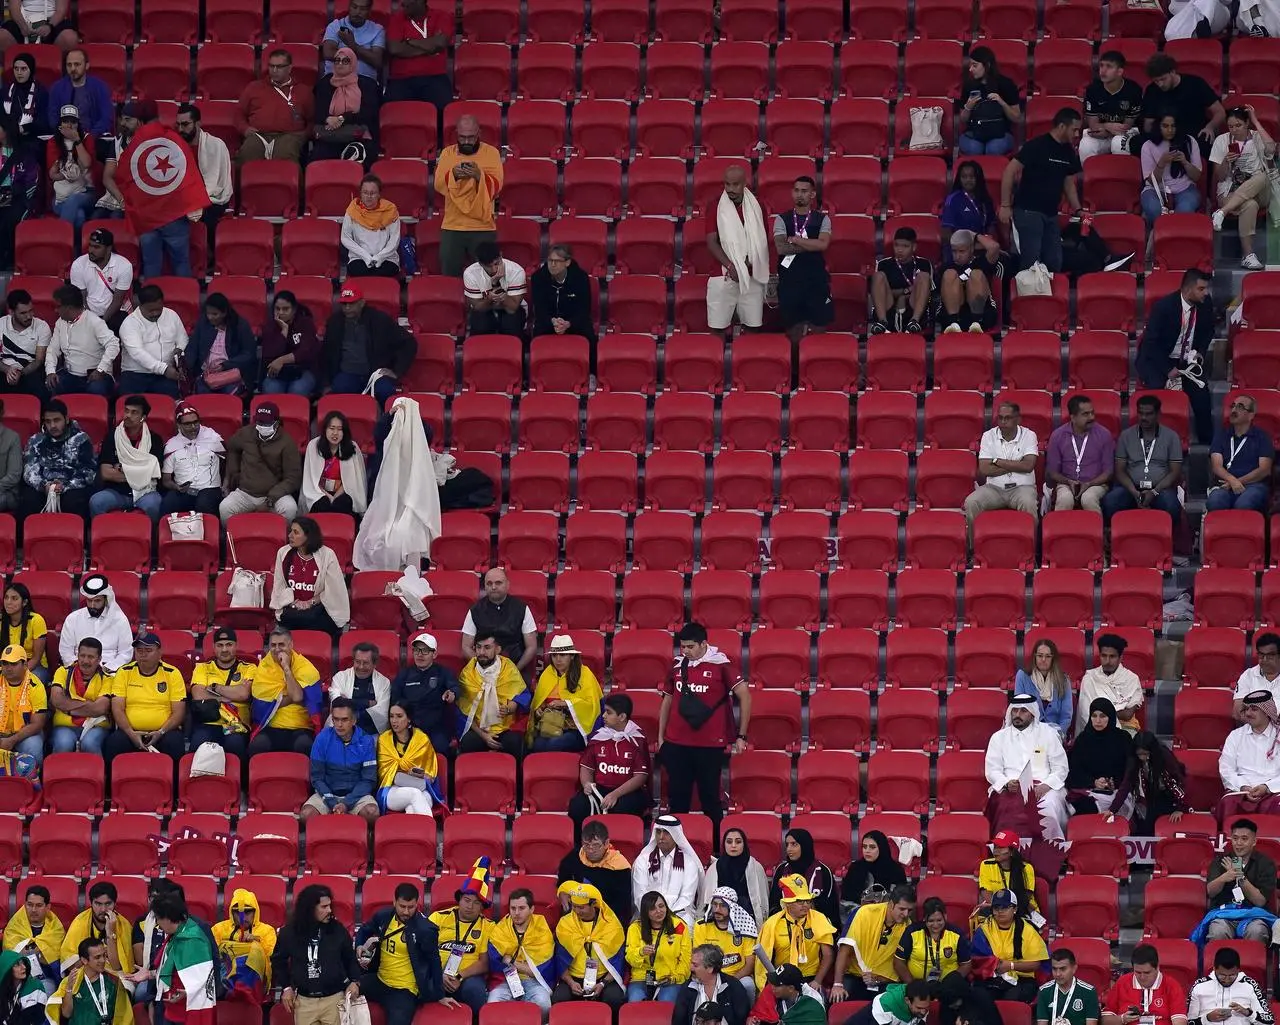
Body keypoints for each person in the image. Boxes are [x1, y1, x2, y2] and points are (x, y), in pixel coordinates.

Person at [660, 622, 750, 840]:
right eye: (683, 647)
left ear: (704, 644)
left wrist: (742, 735)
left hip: (709, 745)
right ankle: (674, 845)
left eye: (690, 647)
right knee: (677, 799)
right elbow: (668, 700)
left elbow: (745, 697)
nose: (686, 651)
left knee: (710, 798)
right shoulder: (677, 666)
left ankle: (717, 846)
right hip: (677, 743)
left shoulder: (721, 666)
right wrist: (661, 737)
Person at [1136, 269, 1215, 446]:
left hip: (1187, 359)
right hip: (1159, 360)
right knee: (1157, 397)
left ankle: (1207, 447)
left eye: (1206, 288)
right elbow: (1150, 343)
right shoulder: (1163, 307)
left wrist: (1200, 352)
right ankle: (1149, 443)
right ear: (1188, 290)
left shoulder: (1205, 303)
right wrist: (1167, 369)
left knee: (1202, 399)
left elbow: (1209, 331)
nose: (1206, 292)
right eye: (1201, 289)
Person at [999, 108, 1084, 272]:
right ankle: (1028, 297)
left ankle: (1048, 297)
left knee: (1054, 262)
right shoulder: (1036, 145)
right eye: (1074, 130)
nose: (1077, 134)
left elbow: (1068, 183)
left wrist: (1078, 209)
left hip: (1051, 214)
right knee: (1031, 263)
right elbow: (1010, 171)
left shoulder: (1068, 151)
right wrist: (1005, 205)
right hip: (1028, 212)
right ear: (1061, 126)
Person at [270, 884, 360, 1025]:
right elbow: (278, 960)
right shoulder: (289, 932)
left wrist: (355, 981)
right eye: (324, 907)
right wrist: (286, 987)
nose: (330, 910)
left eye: (330, 906)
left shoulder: (337, 930)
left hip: (334, 999)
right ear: (310, 909)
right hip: (304, 1002)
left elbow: (350, 958)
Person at [354, 882, 445, 1022]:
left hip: (404, 991)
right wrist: (359, 944)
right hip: (379, 980)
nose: (406, 912)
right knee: (344, 989)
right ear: (394, 902)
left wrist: (440, 995)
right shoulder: (383, 916)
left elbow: (434, 961)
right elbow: (365, 929)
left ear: (417, 904)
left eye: (411, 907)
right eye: (402, 906)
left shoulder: (425, 930)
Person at [986, 693, 1069, 842]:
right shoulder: (999, 737)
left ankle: (1047, 855)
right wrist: (1005, 783)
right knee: (1007, 809)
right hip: (1010, 787)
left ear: (1032, 713)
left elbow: (1061, 768)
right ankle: (1008, 854)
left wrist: (1046, 785)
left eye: (1023, 711)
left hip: (1044, 787)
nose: (1018, 715)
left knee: (1047, 809)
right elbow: (992, 769)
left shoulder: (1048, 733)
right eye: (1015, 710)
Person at [101, 633, 185, 771]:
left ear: (159, 653)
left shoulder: (172, 673)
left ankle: (174, 790)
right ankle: (111, 789)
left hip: (165, 731)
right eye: (139, 651)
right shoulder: (124, 672)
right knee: (114, 743)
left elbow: (179, 712)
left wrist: (161, 732)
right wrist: (130, 733)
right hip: (130, 730)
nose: (143, 654)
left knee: (174, 743)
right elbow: (117, 708)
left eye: (148, 650)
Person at [568, 692, 650, 831]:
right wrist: (586, 784)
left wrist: (615, 794)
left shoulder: (638, 740)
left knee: (621, 807)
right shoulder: (597, 737)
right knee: (578, 805)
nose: (604, 716)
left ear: (622, 717)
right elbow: (587, 767)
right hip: (600, 788)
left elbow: (640, 776)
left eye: (608, 712)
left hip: (627, 792)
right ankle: (579, 845)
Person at [323, 285, 415, 407]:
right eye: (344, 304)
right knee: (339, 389)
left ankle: (387, 422)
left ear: (362, 303)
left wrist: (396, 371)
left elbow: (409, 343)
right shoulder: (334, 322)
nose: (347, 308)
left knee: (386, 392)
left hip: (375, 373)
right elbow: (325, 353)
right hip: (348, 373)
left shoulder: (380, 320)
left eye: (352, 303)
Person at [435, 114, 503, 277]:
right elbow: (438, 184)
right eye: (462, 137)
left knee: (488, 277)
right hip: (453, 226)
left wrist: (479, 175)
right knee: (449, 276)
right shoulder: (447, 154)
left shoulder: (491, 153)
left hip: (483, 226)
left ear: (479, 133)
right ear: (456, 133)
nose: (466, 142)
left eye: (471, 137)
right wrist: (454, 175)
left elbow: (497, 186)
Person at [704, 165, 768, 335]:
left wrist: (745, 266)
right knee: (717, 327)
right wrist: (732, 267)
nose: (730, 189)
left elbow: (762, 240)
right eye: (727, 184)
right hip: (723, 272)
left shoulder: (757, 205)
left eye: (735, 184)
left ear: (745, 183)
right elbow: (711, 242)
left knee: (753, 326)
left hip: (751, 272)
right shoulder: (715, 206)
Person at [1209, 105, 1275, 270]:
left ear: (1246, 123)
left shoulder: (1257, 137)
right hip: (1230, 191)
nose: (1234, 130)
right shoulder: (1222, 141)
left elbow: (1272, 148)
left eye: (1238, 125)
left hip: (1261, 190)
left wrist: (1255, 120)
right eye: (1231, 126)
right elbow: (1220, 176)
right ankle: (1248, 255)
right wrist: (1226, 161)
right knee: (1250, 204)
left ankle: (1221, 213)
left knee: (1262, 176)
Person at [1102, 394, 1183, 524]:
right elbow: (1120, 470)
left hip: (1159, 489)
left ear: (1158, 414)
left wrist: (1154, 492)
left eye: (1149, 414)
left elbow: (1175, 472)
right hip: (1131, 488)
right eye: (1141, 413)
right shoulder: (1126, 436)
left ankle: (1169, 540)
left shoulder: (1171, 437)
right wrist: (1134, 492)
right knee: (1110, 502)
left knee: (1171, 506)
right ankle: (1113, 537)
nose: (1144, 418)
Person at [428, 861, 495, 1016]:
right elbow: (424, 952)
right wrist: (440, 975)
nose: (470, 906)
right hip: (438, 971)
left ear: (482, 908)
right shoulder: (438, 917)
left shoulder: (489, 926)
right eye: (466, 900)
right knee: (422, 985)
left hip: (468, 976)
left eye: (476, 903)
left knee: (474, 991)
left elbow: (484, 964)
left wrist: (459, 976)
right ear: (459, 900)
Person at [772, 175, 833, 344]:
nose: (800, 195)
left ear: (812, 195)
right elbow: (781, 248)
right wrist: (811, 245)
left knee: (819, 329)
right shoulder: (781, 219)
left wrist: (797, 240)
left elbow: (823, 245)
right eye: (797, 190)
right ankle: (795, 369)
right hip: (790, 282)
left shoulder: (822, 219)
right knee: (793, 332)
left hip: (816, 281)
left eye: (804, 191)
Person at [219, 401, 302, 522]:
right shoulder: (245, 433)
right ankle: (236, 539)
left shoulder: (287, 443)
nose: (262, 425)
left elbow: (293, 477)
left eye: (267, 423)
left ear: (277, 422)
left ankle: (280, 539)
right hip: (245, 493)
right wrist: (234, 473)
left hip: (275, 495)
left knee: (290, 509)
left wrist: (270, 500)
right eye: (259, 421)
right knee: (225, 508)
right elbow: (232, 448)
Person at [269, 516, 350, 637]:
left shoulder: (327, 554)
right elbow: (279, 585)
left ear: (308, 536)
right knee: (287, 620)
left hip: (318, 608)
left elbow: (333, 590)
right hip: (292, 607)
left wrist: (309, 602)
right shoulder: (283, 552)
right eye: (290, 531)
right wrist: (292, 603)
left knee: (315, 621)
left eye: (295, 532)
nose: (290, 535)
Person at [247, 628, 323, 757]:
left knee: (305, 745)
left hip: (301, 727)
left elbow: (297, 696)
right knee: (257, 746)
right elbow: (295, 697)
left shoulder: (304, 666)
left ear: (291, 645)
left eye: (281, 645)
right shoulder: (264, 667)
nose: (277, 649)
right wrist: (296, 694)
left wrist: (287, 669)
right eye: (273, 645)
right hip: (271, 727)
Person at [301, 696, 378, 823]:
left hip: (356, 795)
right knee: (306, 815)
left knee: (372, 813)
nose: (339, 725)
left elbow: (368, 780)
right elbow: (317, 778)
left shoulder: (366, 741)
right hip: (327, 794)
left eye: (344, 720)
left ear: (354, 720)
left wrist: (346, 803)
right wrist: (331, 802)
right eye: (335, 719)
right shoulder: (322, 739)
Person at [88, 394, 164, 522]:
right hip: (117, 492)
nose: (128, 415)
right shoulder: (112, 436)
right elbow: (106, 473)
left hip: (145, 492)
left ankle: (151, 539)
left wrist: (123, 468)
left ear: (143, 417)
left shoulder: (154, 440)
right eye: (126, 411)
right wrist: (140, 471)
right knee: (96, 501)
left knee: (154, 504)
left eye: (134, 412)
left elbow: (153, 473)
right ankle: (103, 538)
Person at [551, 880, 626, 1010]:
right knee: (559, 999)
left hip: (603, 978)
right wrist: (571, 982)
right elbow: (560, 960)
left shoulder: (611, 924)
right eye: (574, 906)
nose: (576, 911)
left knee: (614, 999)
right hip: (574, 978)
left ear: (593, 904)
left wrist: (602, 983)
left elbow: (617, 961)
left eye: (581, 907)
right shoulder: (565, 924)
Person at [831, 885, 914, 1000]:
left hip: (884, 981)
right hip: (856, 975)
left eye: (910, 910)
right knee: (837, 998)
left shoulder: (909, 927)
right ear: (891, 904)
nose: (905, 914)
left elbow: (901, 967)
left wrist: (878, 978)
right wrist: (837, 984)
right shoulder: (866, 913)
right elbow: (845, 949)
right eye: (902, 909)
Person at [755, 876, 835, 993]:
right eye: (800, 901)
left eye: (808, 901)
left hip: (810, 978)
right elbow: (764, 959)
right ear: (788, 903)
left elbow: (828, 955)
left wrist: (817, 981)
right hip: (782, 977)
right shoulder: (772, 924)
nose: (806, 905)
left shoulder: (819, 919)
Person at [1203, 818, 1276, 944]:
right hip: (1223, 915)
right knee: (1217, 931)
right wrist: (1224, 877)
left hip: (1254, 916)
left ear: (1254, 841)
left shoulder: (1265, 864)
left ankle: (1251, 964)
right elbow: (1211, 892)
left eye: (1244, 839)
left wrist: (1239, 876)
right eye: (1235, 838)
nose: (1239, 843)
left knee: (1257, 931)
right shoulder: (1221, 861)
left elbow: (1259, 901)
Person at [486, 887, 556, 1019]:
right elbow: (494, 959)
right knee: (492, 1004)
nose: (516, 913)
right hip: (505, 980)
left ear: (532, 909)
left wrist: (511, 961)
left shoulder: (541, 929)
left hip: (533, 982)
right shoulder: (501, 928)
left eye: (522, 908)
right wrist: (524, 967)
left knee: (544, 1005)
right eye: (513, 908)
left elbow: (537, 971)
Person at [19, 398, 95, 519]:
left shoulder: (81, 439)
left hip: (71, 487)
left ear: (66, 419)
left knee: (74, 502)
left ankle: (76, 537)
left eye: (57, 420)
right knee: (27, 500)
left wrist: (64, 486)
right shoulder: (35, 440)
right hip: (43, 486)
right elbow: (29, 471)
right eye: (48, 421)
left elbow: (89, 472)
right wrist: (44, 486)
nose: (52, 425)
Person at [457, 631, 529, 757]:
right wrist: (484, 736)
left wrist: (509, 708)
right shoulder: (468, 673)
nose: (481, 652)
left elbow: (523, 695)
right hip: (479, 729)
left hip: (505, 728)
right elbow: (463, 711)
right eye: (478, 647)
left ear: (498, 649)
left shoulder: (508, 668)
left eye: (487, 647)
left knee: (515, 743)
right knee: (468, 743)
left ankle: (514, 775)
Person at [188, 626, 253, 763]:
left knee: (235, 744)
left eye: (229, 645)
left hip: (237, 724)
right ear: (213, 647)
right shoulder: (203, 668)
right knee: (198, 743)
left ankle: (239, 783)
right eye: (220, 645)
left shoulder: (249, 668)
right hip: (209, 722)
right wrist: (230, 694)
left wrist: (214, 687)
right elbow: (198, 694)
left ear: (236, 646)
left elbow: (243, 694)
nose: (224, 650)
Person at [235, 49, 313, 165]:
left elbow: (312, 120)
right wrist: (245, 129)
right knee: (248, 152)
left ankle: (290, 183)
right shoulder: (254, 87)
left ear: (290, 68)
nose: (274, 70)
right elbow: (239, 114)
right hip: (259, 135)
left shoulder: (303, 91)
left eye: (280, 67)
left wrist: (304, 135)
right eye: (272, 66)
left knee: (285, 153)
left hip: (288, 136)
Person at [970, 889, 1048, 1002]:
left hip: (1022, 978)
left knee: (1015, 995)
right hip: (992, 976)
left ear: (1015, 909)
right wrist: (995, 966)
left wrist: (1011, 966)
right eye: (996, 908)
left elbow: (1035, 964)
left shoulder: (1027, 930)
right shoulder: (984, 929)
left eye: (1005, 907)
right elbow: (978, 960)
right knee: (980, 995)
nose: (1000, 911)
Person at [1139, 53, 1225, 157]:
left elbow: (1219, 112)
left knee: (1205, 142)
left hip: (1193, 132)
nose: (1160, 84)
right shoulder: (1152, 90)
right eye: (1156, 81)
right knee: (1138, 143)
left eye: (1163, 79)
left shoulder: (1195, 84)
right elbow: (1149, 123)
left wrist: (1210, 127)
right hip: (1164, 133)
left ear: (1172, 72)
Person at [528, 634, 602, 754]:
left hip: (576, 728)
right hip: (550, 726)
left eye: (562, 655)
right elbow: (538, 702)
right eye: (554, 655)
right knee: (537, 745)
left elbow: (592, 706)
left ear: (572, 656)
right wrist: (539, 710)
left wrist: (566, 703)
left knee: (554, 745)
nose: (558, 659)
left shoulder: (585, 674)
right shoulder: (547, 674)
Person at [389, 632, 458, 758]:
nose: (420, 654)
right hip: (410, 725)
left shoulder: (443, 672)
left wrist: (452, 694)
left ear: (434, 654)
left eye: (425, 651)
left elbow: (454, 688)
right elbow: (395, 699)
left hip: (436, 726)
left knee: (439, 748)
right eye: (416, 650)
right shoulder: (404, 674)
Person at [44, 287, 118, 399]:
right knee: (52, 384)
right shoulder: (60, 323)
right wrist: (50, 371)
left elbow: (114, 344)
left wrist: (100, 369)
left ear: (69, 308)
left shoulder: (94, 322)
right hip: (70, 374)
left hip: (94, 375)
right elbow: (53, 349)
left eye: (58, 307)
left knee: (96, 389)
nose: (55, 310)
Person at [633, 816, 704, 931]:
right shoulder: (642, 861)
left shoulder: (689, 862)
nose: (661, 837)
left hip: (680, 915)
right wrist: (655, 914)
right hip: (648, 914)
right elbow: (640, 895)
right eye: (658, 832)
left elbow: (686, 898)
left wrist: (664, 916)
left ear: (676, 835)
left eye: (666, 832)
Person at [557, 821, 634, 927]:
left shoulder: (619, 867)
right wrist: (562, 892)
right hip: (577, 914)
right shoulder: (577, 856)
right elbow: (563, 877)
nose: (591, 850)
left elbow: (622, 907)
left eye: (596, 845)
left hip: (607, 919)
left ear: (607, 843)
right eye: (586, 845)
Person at [1219, 690, 1280, 822]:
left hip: (1274, 791)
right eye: (1246, 709)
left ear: (1266, 712)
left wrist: (1267, 787)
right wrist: (1243, 786)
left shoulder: (1278, 736)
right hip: (1241, 791)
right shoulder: (1236, 736)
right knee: (1227, 804)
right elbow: (1226, 768)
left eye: (1254, 709)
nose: (1248, 713)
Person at [1046, 394, 1114, 513]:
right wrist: (1068, 481)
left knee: (1088, 498)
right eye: (1085, 414)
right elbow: (1053, 472)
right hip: (1066, 482)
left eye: (1092, 413)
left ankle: (1096, 531)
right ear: (1073, 417)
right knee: (1065, 499)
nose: (1091, 417)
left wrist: (1090, 483)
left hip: (1096, 483)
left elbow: (1108, 472)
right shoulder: (1058, 436)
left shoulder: (1104, 435)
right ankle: (1059, 531)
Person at [1108, 731, 1187, 833]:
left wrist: (1180, 809)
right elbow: (1126, 784)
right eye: (1139, 754)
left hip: (1169, 795)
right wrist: (1112, 810)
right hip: (1149, 795)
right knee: (1145, 827)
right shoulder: (1134, 760)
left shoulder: (1164, 756)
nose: (1142, 757)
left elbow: (1180, 781)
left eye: (1145, 754)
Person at [893, 897, 973, 998]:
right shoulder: (911, 932)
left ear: (945, 916)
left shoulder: (956, 934)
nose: (935, 925)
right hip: (917, 986)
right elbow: (898, 961)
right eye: (931, 921)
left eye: (939, 920)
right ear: (924, 919)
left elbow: (966, 964)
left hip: (948, 988)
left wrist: (951, 983)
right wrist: (913, 985)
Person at [174, 104, 232, 244]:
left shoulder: (216, 145)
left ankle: (209, 257)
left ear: (198, 123)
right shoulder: (174, 146)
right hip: (182, 195)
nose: (181, 129)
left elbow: (213, 183)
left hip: (213, 196)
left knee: (207, 216)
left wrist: (194, 200)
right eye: (178, 125)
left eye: (185, 124)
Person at [1067, 698, 1135, 815]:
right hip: (1089, 790)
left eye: (1103, 716)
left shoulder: (1123, 738)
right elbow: (1073, 771)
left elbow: (1130, 771)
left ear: (1110, 717)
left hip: (1118, 792)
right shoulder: (1083, 739)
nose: (1098, 721)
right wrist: (1093, 782)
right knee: (1081, 805)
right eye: (1094, 716)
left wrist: (1114, 782)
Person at [118, 286, 188, 399]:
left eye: (158, 309)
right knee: (130, 405)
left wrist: (180, 348)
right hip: (135, 374)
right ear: (140, 306)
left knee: (172, 401)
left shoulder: (171, 315)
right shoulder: (130, 323)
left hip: (165, 375)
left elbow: (183, 338)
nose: (155, 313)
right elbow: (137, 353)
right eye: (151, 310)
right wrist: (163, 369)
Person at [1207, 394, 1273, 514]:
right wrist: (1232, 481)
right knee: (1215, 502)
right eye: (1233, 406)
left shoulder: (1262, 437)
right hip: (1225, 484)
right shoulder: (1221, 435)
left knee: (1244, 504)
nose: (1234, 410)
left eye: (1240, 407)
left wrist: (1239, 482)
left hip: (1253, 484)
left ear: (1251, 415)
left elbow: (1264, 470)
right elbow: (1216, 466)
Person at [461, 568, 538, 670]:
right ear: (484, 586)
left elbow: (531, 647)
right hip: (483, 670)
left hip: (516, 668)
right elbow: (466, 647)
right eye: (489, 583)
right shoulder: (475, 610)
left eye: (498, 583)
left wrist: (514, 671)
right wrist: (485, 668)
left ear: (507, 585)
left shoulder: (522, 608)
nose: (493, 587)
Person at [210, 888, 276, 1006]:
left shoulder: (267, 930)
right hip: (224, 970)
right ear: (231, 912)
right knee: (221, 950)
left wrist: (256, 940)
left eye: (247, 912)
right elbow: (211, 952)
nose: (242, 917)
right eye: (238, 912)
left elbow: (269, 954)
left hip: (257, 978)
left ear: (255, 912)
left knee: (255, 950)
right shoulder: (219, 929)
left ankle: (240, 985)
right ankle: (229, 986)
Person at [376, 700, 442, 816]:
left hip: (419, 786)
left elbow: (430, 775)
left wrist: (421, 775)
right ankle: (429, 831)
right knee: (415, 795)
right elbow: (383, 772)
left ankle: (409, 833)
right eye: (391, 716)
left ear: (409, 718)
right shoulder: (384, 739)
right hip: (391, 789)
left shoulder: (421, 739)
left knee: (414, 806)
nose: (394, 721)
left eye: (399, 716)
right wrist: (405, 772)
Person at [314, 49, 380, 162]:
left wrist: (342, 118)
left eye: (345, 61)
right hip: (330, 135)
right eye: (337, 60)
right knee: (319, 156)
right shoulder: (324, 83)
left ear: (353, 63)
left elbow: (369, 113)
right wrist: (328, 118)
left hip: (358, 135)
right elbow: (317, 110)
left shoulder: (367, 85)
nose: (340, 64)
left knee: (358, 154)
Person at [184, 294, 257, 396]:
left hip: (230, 374)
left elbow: (248, 354)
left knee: (230, 395)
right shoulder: (203, 322)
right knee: (201, 395)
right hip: (206, 374)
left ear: (224, 313)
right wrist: (186, 368)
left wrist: (224, 366)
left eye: (215, 314)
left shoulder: (240, 325)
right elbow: (192, 347)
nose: (210, 317)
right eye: (208, 313)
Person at [1140, 112, 1204, 227]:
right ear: (1158, 126)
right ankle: (1160, 236)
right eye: (1165, 126)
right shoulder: (1148, 146)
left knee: (1185, 209)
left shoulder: (1189, 141)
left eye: (1173, 126)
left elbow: (1197, 176)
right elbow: (1150, 181)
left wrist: (1185, 162)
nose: (1170, 130)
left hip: (1184, 188)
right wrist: (1162, 163)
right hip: (1156, 189)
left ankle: (1175, 236)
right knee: (1153, 208)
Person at [48, 638, 111, 756]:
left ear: (99, 659)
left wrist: (68, 708)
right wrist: (89, 705)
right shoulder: (63, 672)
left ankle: (98, 774)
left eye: (91, 657)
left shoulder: (107, 679)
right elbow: (56, 700)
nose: (85, 661)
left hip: (95, 726)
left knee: (90, 743)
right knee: (63, 743)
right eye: (82, 656)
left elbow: (100, 709)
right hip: (64, 726)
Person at [47, 938, 131, 1025]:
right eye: (97, 957)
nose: (103, 960)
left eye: (104, 955)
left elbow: (122, 1017)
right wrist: (69, 989)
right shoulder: (72, 981)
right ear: (84, 960)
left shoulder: (113, 982)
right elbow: (66, 1014)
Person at [160, 403, 224, 516]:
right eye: (188, 424)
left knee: (203, 504)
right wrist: (177, 487)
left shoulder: (213, 438)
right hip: (183, 491)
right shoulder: (171, 445)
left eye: (196, 422)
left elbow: (230, 460)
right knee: (168, 504)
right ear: (179, 425)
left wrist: (226, 483)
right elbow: (166, 480)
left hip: (209, 488)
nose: (193, 427)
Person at [384, 0, 451, 109]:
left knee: (444, 109)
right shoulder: (396, 19)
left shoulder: (441, 16)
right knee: (391, 110)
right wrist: (430, 47)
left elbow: (440, 43)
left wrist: (410, 41)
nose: (402, 3)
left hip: (435, 77)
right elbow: (395, 49)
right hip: (401, 78)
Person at [626, 892, 691, 1002]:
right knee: (634, 1001)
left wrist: (676, 977)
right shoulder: (635, 928)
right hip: (642, 978)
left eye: (661, 906)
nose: (659, 911)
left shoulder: (679, 926)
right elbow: (629, 958)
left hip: (669, 978)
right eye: (652, 909)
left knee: (666, 1003)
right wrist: (641, 952)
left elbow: (686, 958)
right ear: (646, 912)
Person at [692, 890, 758, 1001]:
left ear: (732, 908)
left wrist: (730, 981)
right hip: (709, 975)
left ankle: (749, 1016)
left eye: (723, 905)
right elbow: (698, 960)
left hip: (737, 976)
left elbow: (749, 965)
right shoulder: (701, 926)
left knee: (748, 984)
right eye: (714, 905)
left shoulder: (746, 929)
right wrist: (715, 980)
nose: (717, 910)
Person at [58, 576, 132, 672]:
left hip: (110, 672)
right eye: (89, 600)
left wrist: (108, 668)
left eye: (97, 601)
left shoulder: (120, 620)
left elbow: (126, 653)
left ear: (105, 600)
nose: (92, 605)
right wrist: (80, 668)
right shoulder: (73, 618)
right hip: (79, 669)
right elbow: (66, 651)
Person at [956, 46, 1021, 155]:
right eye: (970, 65)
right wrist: (968, 107)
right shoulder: (969, 85)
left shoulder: (1006, 84)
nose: (971, 69)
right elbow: (963, 119)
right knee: (974, 149)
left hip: (1001, 133)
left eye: (975, 65)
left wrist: (1002, 102)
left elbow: (1016, 117)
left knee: (993, 149)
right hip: (974, 132)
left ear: (987, 65)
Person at [60, 882, 133, 978]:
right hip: (86, 973)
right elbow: (70, 964)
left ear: (115, 903)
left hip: (115, 976)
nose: (103, 909)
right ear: (91, 903)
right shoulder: (80, 922)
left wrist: (111, 933)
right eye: (98, 904)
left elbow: (117, 967)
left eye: (108, 904)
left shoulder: (124, 925)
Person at [1101, 945, 1188, 1025]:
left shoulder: (1171, 985)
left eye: (1147, 973)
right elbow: (1105, 1020)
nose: (1142, 977)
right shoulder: (1122, 982)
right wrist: (1122, 1019)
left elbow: (1180, 1021)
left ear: (1157, 967)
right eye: (1138, 972)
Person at [1080, 50, 1143, 162]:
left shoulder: (1133, 90)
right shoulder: (1093, 89)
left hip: (1126, 132)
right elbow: (1093, 124)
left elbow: (1127, 125)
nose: (1103, 71)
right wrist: (1107, 126)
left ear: (1119, 71)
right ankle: (1091, 178)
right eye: (1101, 65)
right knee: (1086, 144)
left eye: (1109, 67)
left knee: (1118, 143)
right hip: (1102, 132)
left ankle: (1121, 177)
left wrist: (1106, 128)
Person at [768, 829, 840, 925]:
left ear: (805, 846)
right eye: (787, 844)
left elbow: (831, 907)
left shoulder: (823, 871)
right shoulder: (781, 870)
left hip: (816, 926)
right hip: (785, 926)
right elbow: (774, 903)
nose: (789, 849)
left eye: (794, 844)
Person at [700, 829, 769, 930]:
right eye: (729, 842)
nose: (733, 845)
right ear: (724, 844)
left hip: (748, 920)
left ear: (744, 844)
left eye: (738, 842)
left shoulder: (756, 867)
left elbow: (763, 899)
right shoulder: (714, 868)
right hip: (719, 919)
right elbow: (706, 900)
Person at [934, 229, 999, 335]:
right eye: (954, 251)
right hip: (952, 317)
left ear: (972, 249)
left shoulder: (981, 262)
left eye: (962, 251)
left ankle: (976, 322)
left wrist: (973, 235)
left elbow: (994, 247)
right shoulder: (946, 267)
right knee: (950, 274)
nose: (957, 256)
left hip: (982, 315)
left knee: (976, 274)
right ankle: (953, 323)